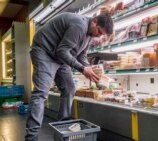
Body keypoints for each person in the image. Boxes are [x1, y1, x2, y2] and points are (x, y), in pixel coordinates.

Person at [25, 12, 113, 141]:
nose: (98, 36)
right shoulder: (79, 25)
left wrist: (90, 68)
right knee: (41, 93)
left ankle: (63, 128)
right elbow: (62, 51)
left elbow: (81, 54)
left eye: (101, 35)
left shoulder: (90, 34)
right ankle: (31, 137)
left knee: (69, 88)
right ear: (94, 21)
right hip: (44, 51)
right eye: (99, 31)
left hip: (59, 56)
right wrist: (83, 69)